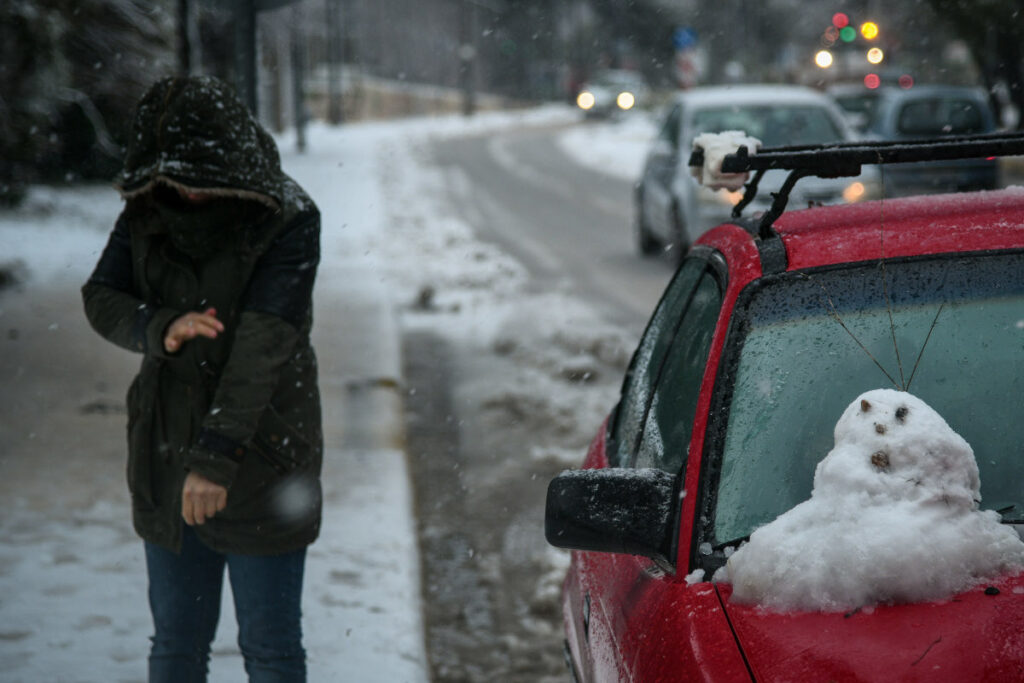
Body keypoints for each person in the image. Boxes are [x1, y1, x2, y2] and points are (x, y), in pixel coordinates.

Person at [82, 75, 322, 682]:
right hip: (164, 447)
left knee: (269, 647)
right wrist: (158, 325)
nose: (183, 194)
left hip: (263, 454)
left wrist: (215, 457)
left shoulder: (286, 218)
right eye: (170, 181)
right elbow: (101, 295)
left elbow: (264, 348)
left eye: (195, 179)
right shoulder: (145, 209)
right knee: (176, 645)